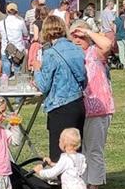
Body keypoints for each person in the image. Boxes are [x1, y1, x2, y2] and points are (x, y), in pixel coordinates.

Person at [70, 21, 114, 189]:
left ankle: (93, 187)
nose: (78, 40)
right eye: (75, 37)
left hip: (98, 108)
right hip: (77, 107)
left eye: (82, 38)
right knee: (77, 150)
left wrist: (87, 30)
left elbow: (107, 44)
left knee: (93, 149)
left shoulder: (95, 52)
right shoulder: (71, 55)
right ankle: (80, 184)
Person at [34, 15, 87, 164]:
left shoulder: (51, 53)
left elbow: (44, 85)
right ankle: (77, 180)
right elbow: (84, 78)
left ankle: (61, 183)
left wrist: (37, 70)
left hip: (60, 105)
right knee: (75, 148)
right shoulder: (77, 49)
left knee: (60, 150)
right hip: (77, 103)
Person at [0, 3, 29, 77]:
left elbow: (1, 34)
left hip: (5, 48)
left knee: (6, 67)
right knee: (17, 67)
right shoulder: (20, 22)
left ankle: (5, 83)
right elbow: (25, 34)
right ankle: (17, 81)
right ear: (16, 11)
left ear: (6, 11)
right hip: (18, 49)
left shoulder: (1, 23)